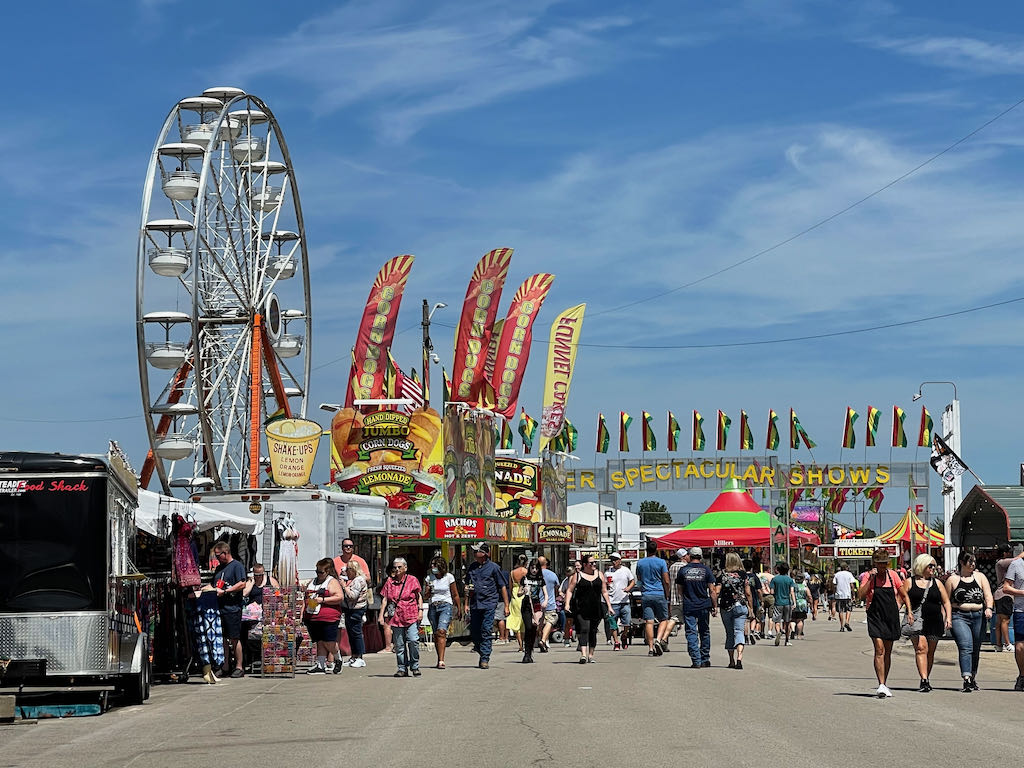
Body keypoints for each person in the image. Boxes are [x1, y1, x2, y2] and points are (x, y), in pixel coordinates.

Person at [858, 548, 910, 698]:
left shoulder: (893, 575)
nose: (882, 567)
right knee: (879, 649)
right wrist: (870, 580)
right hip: (875, 616)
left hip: (890, 615)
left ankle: (884, 683)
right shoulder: (868, 576)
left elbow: (903, 593)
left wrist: (909, 610)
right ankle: (880, 684)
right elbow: (860, 595)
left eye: (884, 564)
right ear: (874, 563)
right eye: (879, 564)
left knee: (887, 651)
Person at [899, 553, 951, 692]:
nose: (933, 568)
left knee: (930, 652)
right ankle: (924, 680)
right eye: (930, 566)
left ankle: (926, 676)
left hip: (934, 621)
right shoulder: (909, 582)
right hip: (916, 621)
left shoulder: (937, 583)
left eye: (934, 566)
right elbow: (900, 599)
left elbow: (946, 602)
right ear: (922, 566)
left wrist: (948, 618)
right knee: (921, 648)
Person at [946, 551, 994, 692]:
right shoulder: (952, 580)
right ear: (962, 562)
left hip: (978, 615)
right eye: (970, 561)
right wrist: (947, 618)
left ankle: (973, 677)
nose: (973, 564)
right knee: (966, 646)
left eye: (974, 561)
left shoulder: (980, 577)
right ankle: (966, 678)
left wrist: (989, 608)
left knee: (975, 648)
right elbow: (946, 601)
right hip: (959, 615)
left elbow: (988, 595)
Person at [562, 553, 614, 663]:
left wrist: (609, 606)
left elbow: (604, 591)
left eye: (594, 562)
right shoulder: (578, 575)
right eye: (591, 563)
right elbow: (570, 590)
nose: (594, 564)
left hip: (596, 607)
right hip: (581, 608)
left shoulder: (599, 574)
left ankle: (591, 655)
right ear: (585, 564)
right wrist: (567, 604)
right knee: (584, 629)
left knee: (593, 631)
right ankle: (583, 655)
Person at [465, 543, 509, 670]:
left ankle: (485, 657)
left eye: (476, 552)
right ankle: (479, 647)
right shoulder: (472, 567)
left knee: (486, 629)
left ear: (484, 554)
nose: (474, 554)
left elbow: (502, 586)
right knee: (474, 631)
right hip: (475, 604)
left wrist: (506, 605)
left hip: (489, 603)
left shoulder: (494, 568)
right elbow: (468, 586)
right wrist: (466, 603)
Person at [379, 557, 423, 677]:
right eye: (395, 567)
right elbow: (385, 599)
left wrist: (420, 611)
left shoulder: (412, 580)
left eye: (399, 567)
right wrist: (381, 615)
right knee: (399, 645)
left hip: (411, 615)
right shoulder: (389, 582)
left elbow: (418, 596)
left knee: (413, 640)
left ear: (405, 568)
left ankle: (415, 666)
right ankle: (402, 668)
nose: (397, 569)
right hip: (396, 617)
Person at [211, 541, 247, 678]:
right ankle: (225, 666)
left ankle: (239, 666)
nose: (217, 558)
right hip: (220, 609)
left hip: (232, 609)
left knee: (234, 638)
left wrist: (226, 591)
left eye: (218, 555)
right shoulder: (219, 568)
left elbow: (242, 583)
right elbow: (214, 585)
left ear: (225, 553)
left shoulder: (236, 566)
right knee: (223, 639)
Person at [303, 558, 345, 674]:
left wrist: (322, 600)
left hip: (329, 617)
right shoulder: (313, 582)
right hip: (312, 616)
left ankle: (338, 659)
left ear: (327, 571)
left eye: (321, 572)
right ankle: (320, 665)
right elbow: (305, 599)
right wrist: (303, 614)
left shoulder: (332, 582)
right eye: (317, 571)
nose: (319, 574)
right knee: (319, 641)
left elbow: (339, 597)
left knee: (329, 641)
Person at [677, 547, 717, 668]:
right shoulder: (706, 570)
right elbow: (712, 590)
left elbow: (679, 589)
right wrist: (715, 605)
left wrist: (684, 599)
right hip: (704, 605)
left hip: (689, 605)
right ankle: (705, 658)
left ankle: (696, 659)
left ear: (690, 555)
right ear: (701, 556)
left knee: (691, 632)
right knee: (704, 631)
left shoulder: (683, 570)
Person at [241, 563, 280, 671]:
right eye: (257, 575)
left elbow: (278, 594)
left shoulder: (271, 581)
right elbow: (244, 594)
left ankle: (265, 657)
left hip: (268, 613)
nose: (259, 577)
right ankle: (252, 658)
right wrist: (252, 582)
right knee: (249, 634)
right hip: (253, 615)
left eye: (261, 575)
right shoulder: (251, 582)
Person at [423, 556, 459, 670]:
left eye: (435, 565)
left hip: (445, 605)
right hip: (433, 605)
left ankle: (442, 660)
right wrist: (428, 591)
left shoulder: (449, 577)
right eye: (432, 565)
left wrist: (459, 608)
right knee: (436, 634)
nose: (433, 567)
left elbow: (455, 594)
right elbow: (425, 596)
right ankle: (439, 657)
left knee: (442, 631)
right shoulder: (429, 578)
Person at [717, 552, 752, 669]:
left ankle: (731, 660)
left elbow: (717, 592)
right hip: (741, 606)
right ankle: (739, 658)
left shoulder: (721, 575)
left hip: (726, 606)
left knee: (729, 633)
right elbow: (748, 592)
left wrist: (713, 605)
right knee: (739, 631)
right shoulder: (743, 575)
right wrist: (751, 607)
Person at [635, 540, 670, 657]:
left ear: (646, 550)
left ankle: (650, 647)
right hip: (659, 593)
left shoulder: (640, 563)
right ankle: (658, 640)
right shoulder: (661, 562)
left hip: (646, 594)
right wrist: (667, 593)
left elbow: (639, 578)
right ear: (656, 550)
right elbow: (666, 580)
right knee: (663, 619)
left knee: (648, 621)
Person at [1002, 545, 1024, 691]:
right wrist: (1022, 592)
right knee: (1021, 646)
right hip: (1021, 610)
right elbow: (1006, 588)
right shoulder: (1016, 565)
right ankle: (1022, 676)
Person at [519, 559, 548, 663]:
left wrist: (545, 601)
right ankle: (526, 653)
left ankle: (530, 651)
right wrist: (523, 591)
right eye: (532, 568)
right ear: (529, 568)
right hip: (526, 605)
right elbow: (519, 593)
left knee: (533, 629)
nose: (534, 570)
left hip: (536, 606)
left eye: (536, 568)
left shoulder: (540, 579)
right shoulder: (525, 578)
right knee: (528, 627)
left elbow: (545, 593)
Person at [341, 560, 369, 669]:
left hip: (356, 610)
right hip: (350, 609)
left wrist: (344, 586)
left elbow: (352, 595)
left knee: (356, 634)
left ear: (353, 570)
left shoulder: (359, 580)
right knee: (351, 634)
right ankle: (354, 656)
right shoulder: (353, 580)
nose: (346, 572)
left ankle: (360, 658)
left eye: (348, 569)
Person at [605, 553, 635, 650]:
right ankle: (616, 642)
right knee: (613, 623)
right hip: (613, 601)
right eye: (612, 560)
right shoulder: (608, 572)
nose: (613, 562)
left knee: (627, 622)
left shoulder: (626, 570)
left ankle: (624, 636)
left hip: (624, 600)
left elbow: (632, 581)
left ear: (620, 560)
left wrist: (628, 588)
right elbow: (604, 585)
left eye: (615, 560)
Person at [661, 549, 689, 651]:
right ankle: (691, 642)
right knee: (690, 620)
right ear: (683, 557)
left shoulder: (672, 567)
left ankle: (664, 638)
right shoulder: (685, 567)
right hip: (684, 598)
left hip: (673, 597)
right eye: (687, 555)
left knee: (673, 619)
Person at [993, 544, 1016, 652]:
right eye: (1008, 552)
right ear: (1004, 553)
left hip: (999, 595)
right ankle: (1007, 644)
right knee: (1005, 621)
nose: (1010, 553)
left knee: (999, 621)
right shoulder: (1002, 562)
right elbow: (1017, 559)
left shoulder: (999, 563)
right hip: (1004, 595)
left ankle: (998, 644)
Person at [537, 556, 561, 652]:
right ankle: (543, 640)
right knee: (550, 621)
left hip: (537, 604)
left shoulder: (533, 574)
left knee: (539, 623)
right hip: (550, 603)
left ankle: (542, 640)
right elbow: (557, 588)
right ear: (546, 564)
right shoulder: (552, 575)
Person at [769, 562, 796, 647]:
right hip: (787, 603)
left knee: (777, 620)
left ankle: (778, 632)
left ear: (778, 570)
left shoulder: (775, 579)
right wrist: (794, 602)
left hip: (778, 603)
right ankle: (787, 640)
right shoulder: (790, 580)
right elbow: (792, 591)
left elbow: (772, 591)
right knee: (787, 622)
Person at [509, 554, 529, 652]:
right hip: (525, 594)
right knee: (524, 620)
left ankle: (520, 645)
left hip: (515, 596)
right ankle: (525, 642)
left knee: (516, 620)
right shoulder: (527, 572)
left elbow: (510, 586)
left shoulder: (512, 572)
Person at [832, 562, 857, 632]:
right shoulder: (849, 574)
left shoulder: (837, 574)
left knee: (840, 611)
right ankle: (847, 622)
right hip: (847, 595)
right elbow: (852, 585)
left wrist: (834, 593)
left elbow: (834, 585)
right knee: (849, 609)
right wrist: (853, 595)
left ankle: (842, 626)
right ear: (846, 567)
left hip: (839, 595)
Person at [559, 563, 579, 647]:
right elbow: (560, 590)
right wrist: (563, 595)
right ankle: (566, 639)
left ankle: (581, 641)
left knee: (579, 622)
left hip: (577, 602)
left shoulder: (578, 579)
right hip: (569, 603)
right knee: (568, 622)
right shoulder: (565, 581)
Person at [743, 559, 761, 645]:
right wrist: (761, 600)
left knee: (745, 620)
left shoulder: (741, 577)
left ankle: (746, 637)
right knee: (753, 617)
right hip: (754, 600)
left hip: (743, 600)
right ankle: (752, 631)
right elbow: (759, 590)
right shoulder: (754, 577)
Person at [791, 572, 811, 639]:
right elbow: (809, 596)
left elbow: (790, 593)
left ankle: (793, 630)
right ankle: (799, 635)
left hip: (793, 603)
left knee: (793, 619)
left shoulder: (793, 586)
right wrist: (810, 602)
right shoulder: (805, 587)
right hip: (802, 604)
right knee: (800, 620)